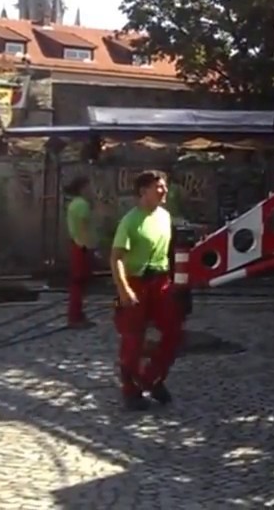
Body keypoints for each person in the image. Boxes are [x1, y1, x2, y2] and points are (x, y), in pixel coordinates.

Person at [110, 170, 183, 411]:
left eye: (164, 186)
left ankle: (151, 377)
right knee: (133, 338)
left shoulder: (165, 217)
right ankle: (130, 390)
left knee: (172, 332)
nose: (164, 191)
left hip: (160, 282)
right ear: (143, 191)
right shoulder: (130, 221)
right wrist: (124, 290)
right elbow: (117, 258)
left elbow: (168, 253)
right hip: (136, 282)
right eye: (158, 187)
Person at [64, 177, 97, 329]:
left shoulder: (73, 204)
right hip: (82, 246)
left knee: (77, 283)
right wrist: (91, 247)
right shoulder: (83, 205)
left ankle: (77, 314)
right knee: (79, 284)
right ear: (83, 188)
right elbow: (84, 228)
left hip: (76, 244)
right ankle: (75, 316)